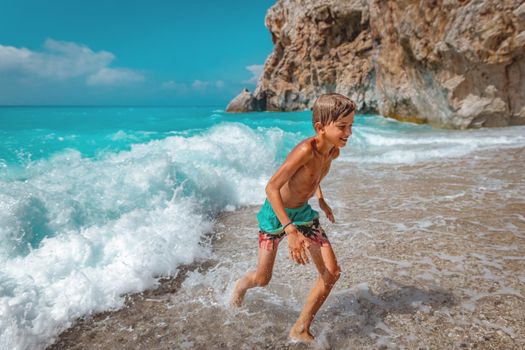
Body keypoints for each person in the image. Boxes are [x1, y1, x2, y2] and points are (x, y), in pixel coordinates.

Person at [230, 93, 356, 343]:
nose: (348, 132)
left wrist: (320, 199)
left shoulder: (332, 152)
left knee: (332, 273)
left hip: (303, 215)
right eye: (342, 126)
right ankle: (239, 288)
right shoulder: (304, 150)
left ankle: (300, 327)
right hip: (276, 216)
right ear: (320, 128)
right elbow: (271, 188)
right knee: (262, 279)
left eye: (351, 126)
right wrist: (289, 231)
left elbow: (313, 177)